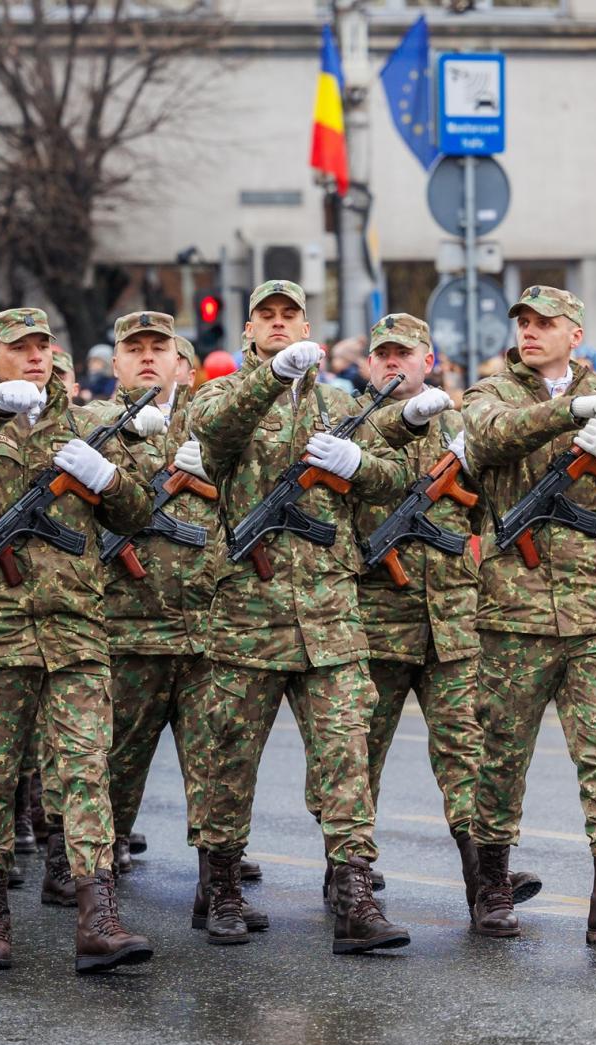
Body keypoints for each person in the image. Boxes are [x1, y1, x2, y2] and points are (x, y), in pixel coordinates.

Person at [0, 307, 157, 973]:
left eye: (41, 347)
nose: (33, 357)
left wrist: (108, 477)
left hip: (76, 629)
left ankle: (98, 917)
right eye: (17, 349)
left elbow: (137, 513)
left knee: (87, 771)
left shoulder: (85, 428)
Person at [189, 280, 411, 954]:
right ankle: (221, 885)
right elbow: (212, 435)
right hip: (248, 617)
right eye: (267, 317)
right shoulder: (218, 395)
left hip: (329, 615)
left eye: (291, 316)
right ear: (250, 330)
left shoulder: (341, 401)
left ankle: (353, 894)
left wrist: (359, 463)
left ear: (307, 324)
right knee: (229, 758)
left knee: (347, 755)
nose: (280, 325)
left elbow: (396, 477)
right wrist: (269, 381)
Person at [461, 285, 596, 947]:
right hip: (511, 612)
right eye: (522, 322)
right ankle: (491, 888)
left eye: (544, 323)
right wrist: (568, 414)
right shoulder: (492, 392)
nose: (530, 332)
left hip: (591, 612)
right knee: (499, 757)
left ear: (574, 332)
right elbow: (488, 438)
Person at [347, 314, 540, 911]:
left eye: (404, 353)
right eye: (382, 356)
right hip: (377, 619)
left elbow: (492, 509)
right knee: (357, 757)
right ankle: (348, 870)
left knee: (467, 752)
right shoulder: (349, 424)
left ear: (429, 360)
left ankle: (486, 883)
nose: (392, 363)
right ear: (368, 365)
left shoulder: (463, 423)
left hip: (453, 619)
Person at [91, 316, 263, 920]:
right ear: (114, 364)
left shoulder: (210, 427)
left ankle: (219, 892)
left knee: (220, 767)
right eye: (132, 350)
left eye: (157, 350)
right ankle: (93, 887)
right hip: (127, 629)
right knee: (113, 770)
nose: (145, 359)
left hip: (208, 628)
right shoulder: (94, 428)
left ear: (181, 364)